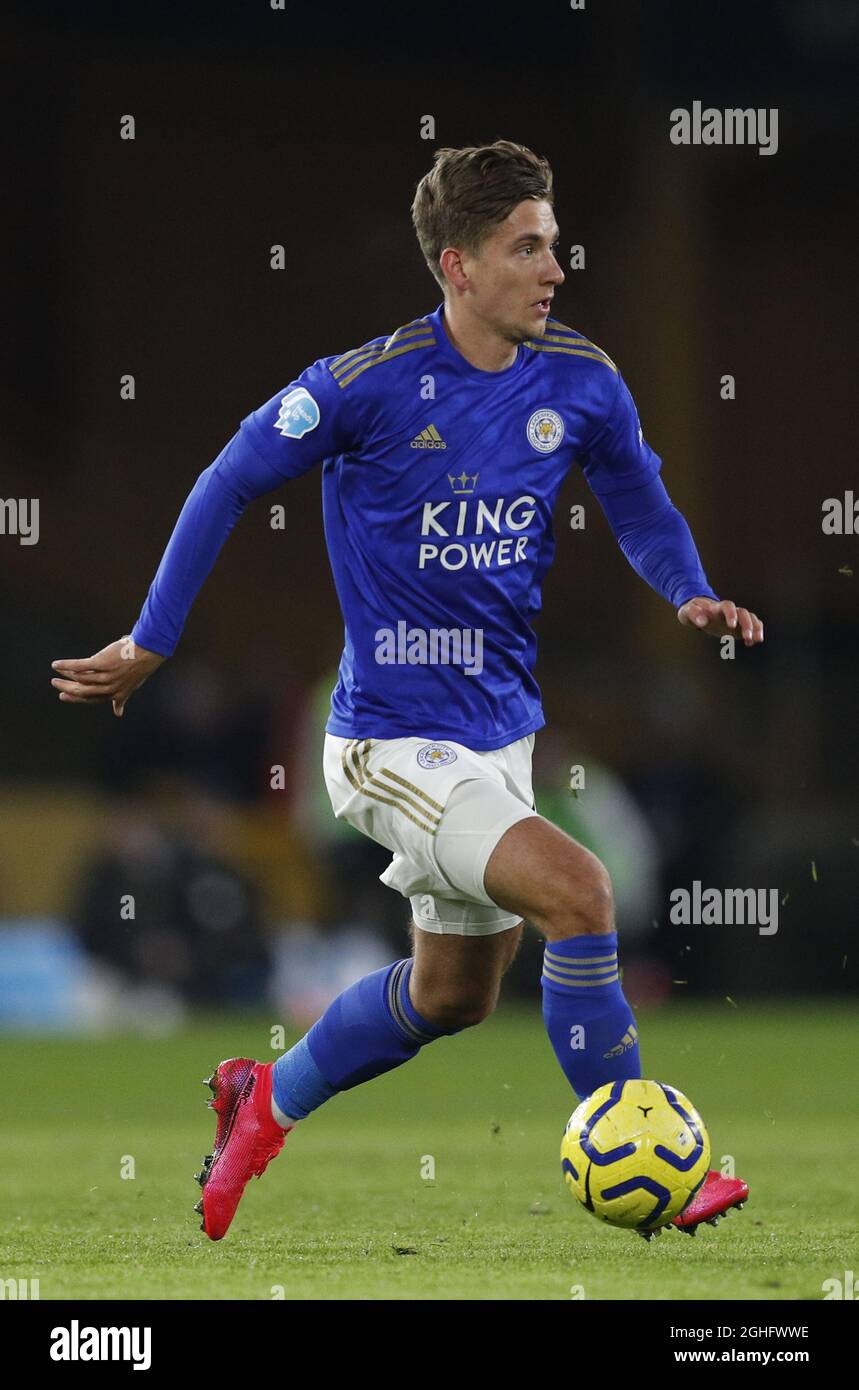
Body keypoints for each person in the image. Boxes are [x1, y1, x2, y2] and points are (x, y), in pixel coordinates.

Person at [51, 139, 762, 1242]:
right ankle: (648, 1160)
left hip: (495, 738)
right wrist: (153, 638)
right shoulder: (364, 384)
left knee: (451, 997)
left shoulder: (581, 379)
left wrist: (688, 589)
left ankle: (262, 1102)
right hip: (389, 740)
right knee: (577, 891)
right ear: (457, 266)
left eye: (554, 243)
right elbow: (226, 479)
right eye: (526, 247)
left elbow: (636, 496)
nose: (553, 267)